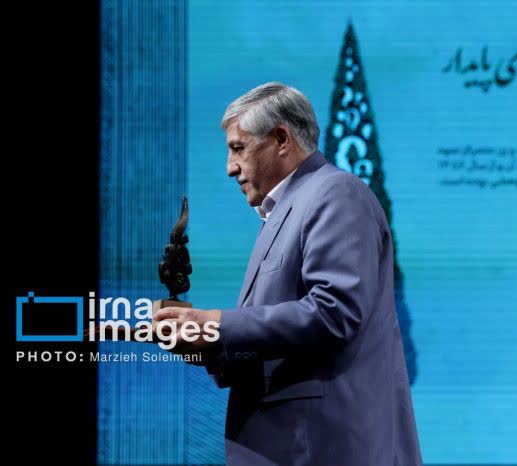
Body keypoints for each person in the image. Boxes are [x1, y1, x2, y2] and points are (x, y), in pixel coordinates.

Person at [153, 82, 422, 466]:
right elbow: (278, 344)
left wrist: (216, 323)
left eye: (238, 148)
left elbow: (335, 313)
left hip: (323, 449)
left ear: (281, 139)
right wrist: (208, 343)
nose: (230, 167)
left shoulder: (335, 193)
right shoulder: (285, 212)